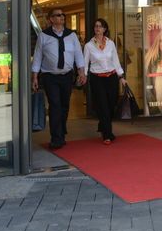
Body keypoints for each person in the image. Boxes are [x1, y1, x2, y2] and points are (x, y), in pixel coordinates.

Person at [31, 8, 86, 149]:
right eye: (58, 15)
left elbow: (78, 55)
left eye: (63, 15)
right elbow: (37, 57)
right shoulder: (44, 36)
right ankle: (56, 137)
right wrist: (35, 77)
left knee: (65, 105)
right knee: (55, 105)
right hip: (50, 76)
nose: (61, 17)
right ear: (51, 19)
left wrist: (82, 72)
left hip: (67, 76)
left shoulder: (71, 35)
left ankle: (61, 130)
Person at [84, 18, 127, 144]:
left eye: (100, 26)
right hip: (97, 78)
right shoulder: (88, 46)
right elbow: (86, 63)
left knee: (111, 105)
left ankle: (103, 124)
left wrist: (121, 77)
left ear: (105, 29)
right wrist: (84, 76)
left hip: (112, 77)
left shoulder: (111, 43)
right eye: (96, 26)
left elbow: (115, 61)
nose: (98, 28)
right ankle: (107, 135)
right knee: (102, 106)